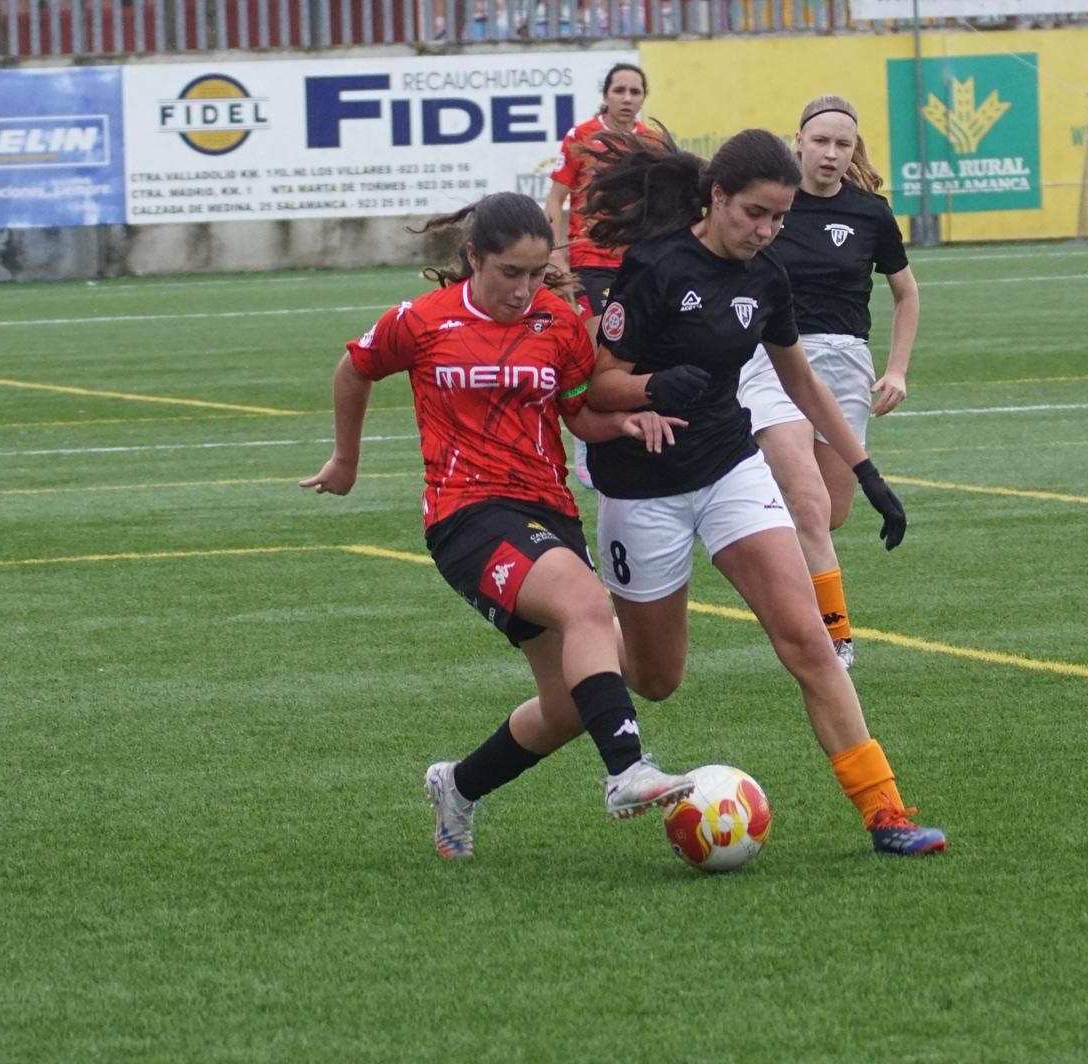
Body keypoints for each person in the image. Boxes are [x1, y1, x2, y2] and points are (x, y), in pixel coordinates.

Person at [579, 127, 946, 855]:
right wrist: (654, 387)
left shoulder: (765, 275)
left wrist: (865, 470)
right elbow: (597, 384)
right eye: (754, 213)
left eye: (778, 217)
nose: (767, 230)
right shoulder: (653, 267)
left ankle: (887, 813)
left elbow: (798, 376)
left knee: (808, 639)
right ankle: (582, 666)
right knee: (657, 678)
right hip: (643, 489)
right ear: (716, 198)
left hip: (727, 469)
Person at [300, 192, 695, 860]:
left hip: (548, 514)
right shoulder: (422, 322)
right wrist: (346, 458)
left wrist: (623, 422)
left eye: (537, 274)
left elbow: (578, 416)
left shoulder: (561, 324)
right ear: (474, 258)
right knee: (585, 604)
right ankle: (627, 769)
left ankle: (459, 784)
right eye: (510, 273)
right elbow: (354, 368)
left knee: (572, 703)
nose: (524, 289)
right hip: (466, 516)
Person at [737, 95, 920, 671]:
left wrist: (896, 370)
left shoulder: (871, 213)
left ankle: (740, 521)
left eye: (843, 144)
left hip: (845, 366)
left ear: (853, 149)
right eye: (821, 141)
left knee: (828, 514)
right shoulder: (773, 208)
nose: (831, 153)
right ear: (799, 142)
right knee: (810, 505)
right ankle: (834, 639)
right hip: (772, 362)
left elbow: (906, 292)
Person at [544, 62, 651, 487]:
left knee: (633, 352)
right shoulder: (580, 136)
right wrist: (557, 258)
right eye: (620, 90)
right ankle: (586, 440)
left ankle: (628, 438)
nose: (627, 98)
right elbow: (554, 201)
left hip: (638, 264)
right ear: (606, 95)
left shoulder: (653, 143)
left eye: (635, 91)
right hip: (589, 260)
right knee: (593, 350)